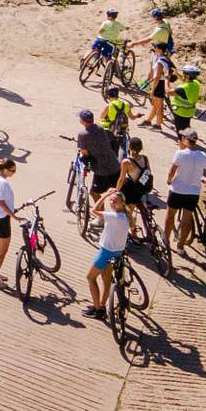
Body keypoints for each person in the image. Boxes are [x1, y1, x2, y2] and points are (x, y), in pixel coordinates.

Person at [85, 186, 130, 319]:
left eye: (114, 201)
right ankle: (102, 306)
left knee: (90, 277)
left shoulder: (113, 216)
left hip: (106, 252)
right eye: (111, 200)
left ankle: (97, 309)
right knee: (106, 280)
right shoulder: (126, 215)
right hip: (117, 253)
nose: (112, 203)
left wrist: (104, 196)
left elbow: (93, 210)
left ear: (122, 203)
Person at [163, 129, 206, 250]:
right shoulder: (203, 155)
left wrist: (169, 180)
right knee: (187, 219)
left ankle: (166, 242)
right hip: (193, 192)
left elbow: (172, 170)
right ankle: (180, 246)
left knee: (170, 216)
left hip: (178, 190)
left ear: (185, 139)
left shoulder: (180, 154)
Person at [130, 9, 175, 126]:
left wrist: (152, 88)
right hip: (161, 78)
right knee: (157, 104)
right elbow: (170, 32)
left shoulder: (158, 59)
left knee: (158, 105)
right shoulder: (166, 22)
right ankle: (149, 120)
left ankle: (158, 124)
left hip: (158, 83)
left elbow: (157, 76)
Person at [0, 157, 22, 288]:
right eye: (12, 171)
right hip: (2, 220)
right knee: (2, 251)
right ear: (5, 170)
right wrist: (14, 216)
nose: (14, 173)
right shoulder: (3, 183)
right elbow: (2, 203)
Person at [76, 108, 123, 197]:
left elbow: (85, 153)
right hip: (115, 165)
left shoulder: (82, 134)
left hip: (102, 171)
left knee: (94, 193)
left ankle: (100, 210)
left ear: (82, 121)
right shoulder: (101, 128)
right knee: (118, 194)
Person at [86, 7, 125, 75]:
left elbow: (100, 31)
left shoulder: (105, 23)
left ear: (108, 16)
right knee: (108, 56)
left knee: (93, 50)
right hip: (109, 42)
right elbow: (122, 29)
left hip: (100, 40)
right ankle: (108, 70)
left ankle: (84, 62)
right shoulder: (118, 24)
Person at [168, 63, 203, 136]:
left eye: (183, 73)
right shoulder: (196, 83)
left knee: (180, 130)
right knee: (186, 125)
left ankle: (182, 142)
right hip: (190, 111)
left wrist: (166, 80)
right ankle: (189, 137)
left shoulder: (183, 88)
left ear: (187, 75)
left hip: (180, 112)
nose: (183, 74)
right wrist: (177, 74)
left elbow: (168, 92)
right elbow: (185, 80)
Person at [101, 84, 133, 152]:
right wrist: (137, 116)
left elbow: (101, 117)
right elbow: (132, 117)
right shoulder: (126, 104)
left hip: (110, 132)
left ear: (108, 95)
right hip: (122, 130)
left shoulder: (108, 106)